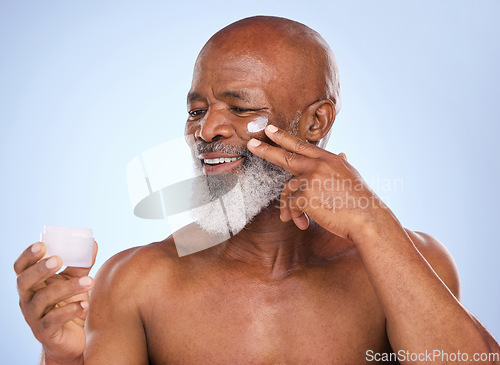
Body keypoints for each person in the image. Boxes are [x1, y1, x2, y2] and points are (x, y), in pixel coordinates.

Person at [14, 16, 499, 364]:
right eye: (197, 109)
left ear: (316, 121)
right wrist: (61, 357)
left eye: (240, 109)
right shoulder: (138, 282)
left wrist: (372, 222)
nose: (206, 131)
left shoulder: (406, 265)